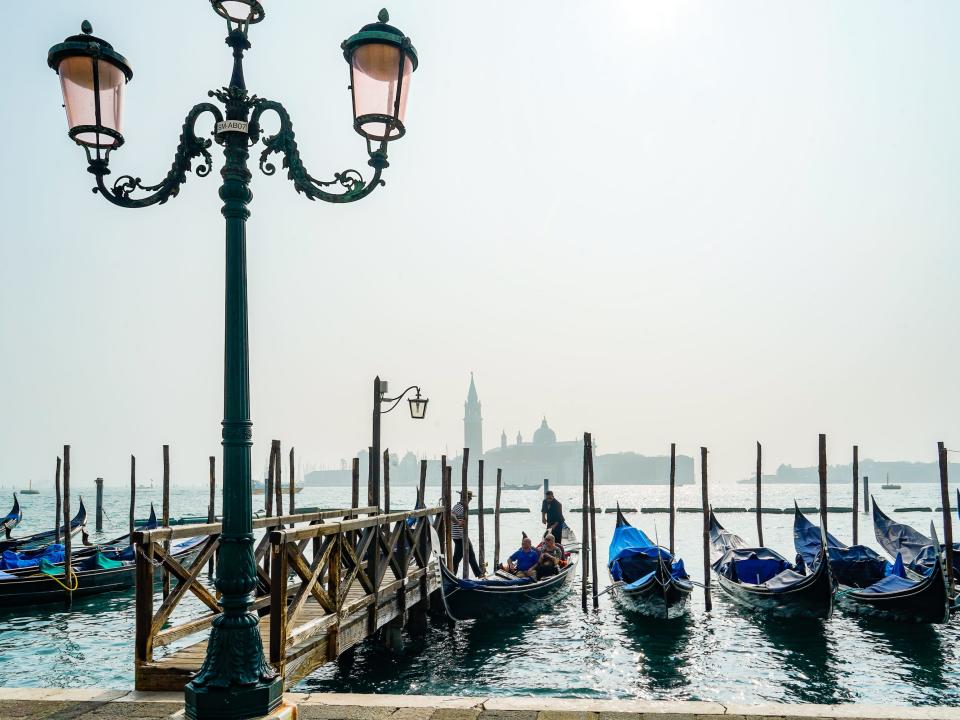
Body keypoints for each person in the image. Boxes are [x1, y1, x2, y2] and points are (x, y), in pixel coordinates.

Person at [451, 489, 483, 577]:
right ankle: (453, 574)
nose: (470, 500)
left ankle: (478, 574)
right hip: (460, 537)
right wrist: (458, 522)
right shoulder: (459, 507)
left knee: (468, 555)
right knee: (459, 557)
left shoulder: (462, 507)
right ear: (466, 498)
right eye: (470, 498)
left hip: (460, 536)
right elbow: (451, 515)